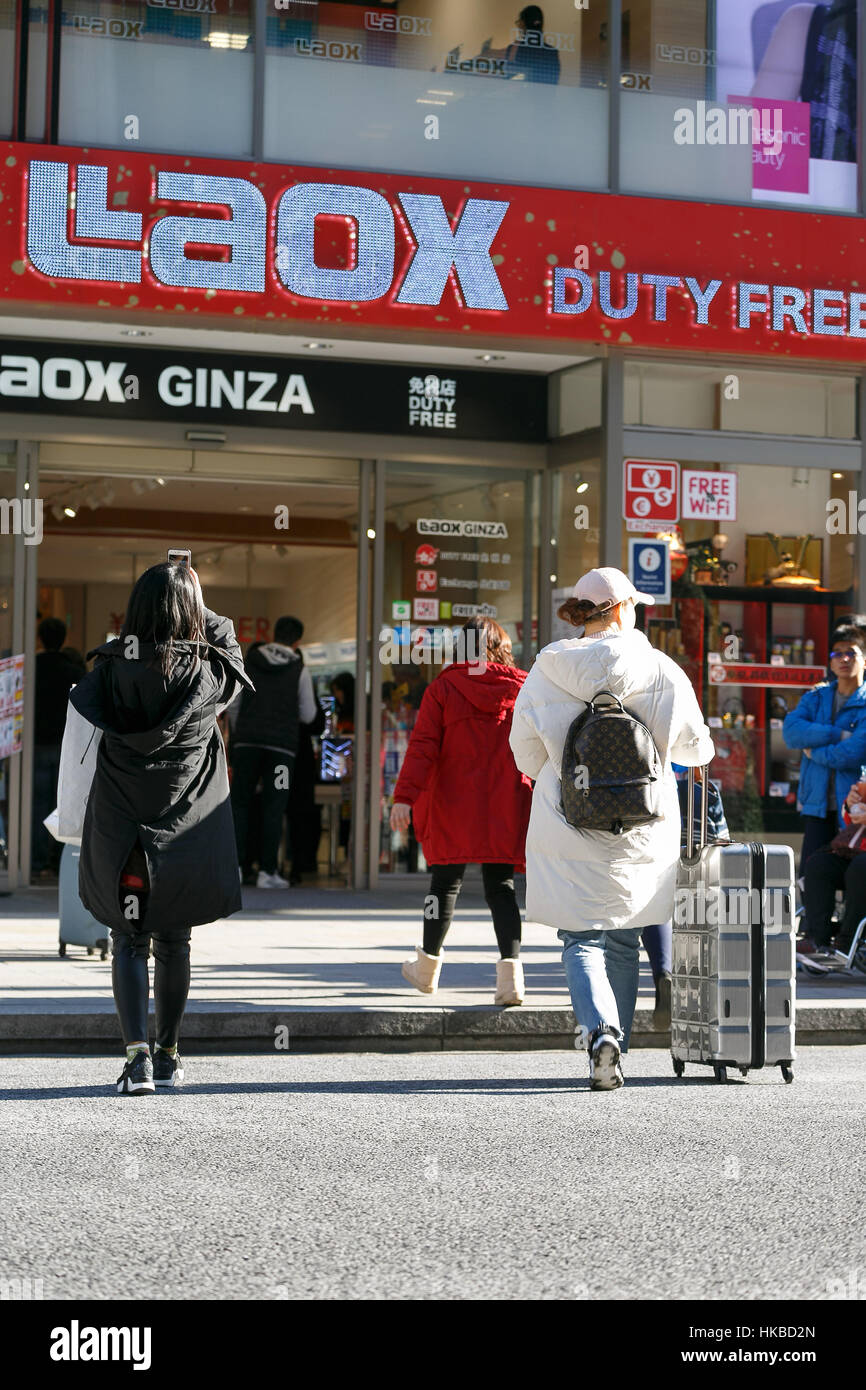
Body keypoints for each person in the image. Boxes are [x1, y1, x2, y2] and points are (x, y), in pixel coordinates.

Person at [510, 567, 714, 1090]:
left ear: (582, 614)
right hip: (642, 826)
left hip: (567, 820)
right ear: (624, 607)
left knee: (580, 939)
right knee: (624, 940)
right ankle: (616, 1042)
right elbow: (695, 750)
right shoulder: (658, 666)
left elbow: (525, 755)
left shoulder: (548, 666)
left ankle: (599, 1034)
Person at [68, 562, 253, 1095]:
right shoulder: (208, 673)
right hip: (186, 832)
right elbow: (231, 649)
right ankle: (170, 1057)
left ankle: (138, 1061)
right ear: (191, 612)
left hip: (125, 829)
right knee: (176, 942)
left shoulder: (110, 669)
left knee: (128, 941)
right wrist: (197, 607)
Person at [390, 618, 533, 1006]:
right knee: (501, 889)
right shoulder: (523, 690)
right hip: (504, 803)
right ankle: (511, 980)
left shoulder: (443, 689)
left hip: (453, 804)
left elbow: (422, 748)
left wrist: (404, 797)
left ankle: (426, 970)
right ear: (501, 646)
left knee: (443, 885)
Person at [228, 616, 318, 888]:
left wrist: (241, 729)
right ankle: (268, 870)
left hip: (246, 745)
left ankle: (238, 868)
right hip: (281, 751)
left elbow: (234, 703)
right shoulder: (299, 669)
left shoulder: (251, 660)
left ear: (273, 635)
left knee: (240, 803)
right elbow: (309, 713)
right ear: (297, 641)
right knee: (274, 806)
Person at [782, 624, 866, 877]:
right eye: (837, 653)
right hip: (817, 804)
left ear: (864, 659)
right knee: (809, 876)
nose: (843, 659)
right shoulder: (816, 697)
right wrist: (836, 734)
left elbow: (853, 753)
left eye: (850, 652)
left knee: (851, 879)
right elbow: (791, 732)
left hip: (854, 810)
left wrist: (813, 752)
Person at [31, 618, 84, 876]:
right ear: (63, 640)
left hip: (36, 742)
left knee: (36, 803)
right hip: (65, 745)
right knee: (60, 804)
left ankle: (35, 861)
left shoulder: (32, 667)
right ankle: (56, 861)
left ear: (40, 638)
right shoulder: (72, 671)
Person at [800, 773, 866, 962]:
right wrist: (851, 804)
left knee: (860, 868)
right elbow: (850, 820)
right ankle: (818, 940)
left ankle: (847, 942)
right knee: (818, 865)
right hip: (854, 850)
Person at [506, 6, 561, 84]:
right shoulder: (552, 52)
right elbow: (552, 84)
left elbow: (508, 77)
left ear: (523, 24)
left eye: (519, 23)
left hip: (520, 95)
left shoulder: (515, 49)